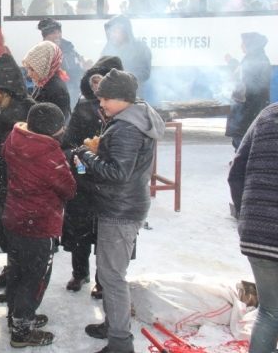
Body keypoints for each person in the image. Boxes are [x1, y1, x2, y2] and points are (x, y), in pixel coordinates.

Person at [74, 69, 164, 353]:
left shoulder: (126, 128)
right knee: (109, 271)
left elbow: (117, 172)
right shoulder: (132, 118)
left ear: (123, 99)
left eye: (105, 100)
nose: (101, 105)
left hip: (120, 208)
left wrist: (86, 156)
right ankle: (113, 325)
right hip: (121, 203)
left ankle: (121, 342)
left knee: (112, 276)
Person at [3, 103, 76, 347]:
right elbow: (68, 188)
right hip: (39, 224)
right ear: (54, 131)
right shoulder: (50, 154)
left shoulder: (14, 140)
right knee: (34, 277)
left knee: (16, 270)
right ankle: (22, 331)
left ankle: (14, 316)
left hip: (14, 218)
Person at [61, 57, 123, 297]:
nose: (98, 88)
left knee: (105, 237)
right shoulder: (84, 106)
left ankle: (102, 280)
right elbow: (68, 142)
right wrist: (78, 154)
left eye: (102, 82)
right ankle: (79, 273)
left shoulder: (121, 112)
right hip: (84, 179)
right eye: (94, 82)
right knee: (79, 230)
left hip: (108, 184)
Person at [228, 102, 278, 353]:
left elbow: (235, 171)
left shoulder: (268, 114)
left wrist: (246, 214)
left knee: (270, 312)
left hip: (257, 234)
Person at [0, 54, 35, 293]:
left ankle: (17, 286)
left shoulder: (25, 112)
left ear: (6, 88)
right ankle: (11, 273)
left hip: (16, 185)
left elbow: (22, 152)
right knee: (5, 231)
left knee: (17, 236)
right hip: (0, 181)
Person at [225, 32, 271, 151]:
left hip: (249, 108)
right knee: (241, 138)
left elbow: (253, 83)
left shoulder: (258, 60)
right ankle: (241, 160)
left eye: (243, 43)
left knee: (244, 138)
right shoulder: (252, 58)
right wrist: (232, 62)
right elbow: (241, 75)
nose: (241, 46)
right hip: (245, 107)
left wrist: (242, 89)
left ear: (250, 45)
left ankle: (242, 163)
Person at [38, 18, 88, 106]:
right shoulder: (41, 51)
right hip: (52, 92)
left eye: (59, 32)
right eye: (53, 33)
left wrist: (84, 65)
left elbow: (79, 65)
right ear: (45, 36)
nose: (57, 35)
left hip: (73, 88)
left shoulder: (69, 47)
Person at [101, 15, 152, 97]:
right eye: (111, 32)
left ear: (125, 31)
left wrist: (124, 78)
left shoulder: (141, 48)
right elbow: (102, 68)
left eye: (115, 31)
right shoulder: (108, 47)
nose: (112, 35)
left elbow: (145, 73)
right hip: (112, 95)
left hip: (133, 94)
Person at [22, 40, 71, 122]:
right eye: (28, 69)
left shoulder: (56, 89)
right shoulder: (43, 82)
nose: (29, 74)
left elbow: (55, 125)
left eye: (32, 69)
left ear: (45, 67)